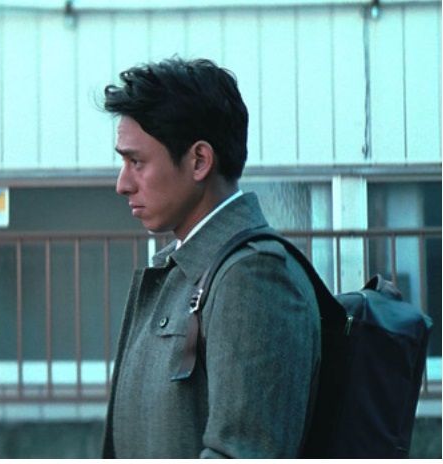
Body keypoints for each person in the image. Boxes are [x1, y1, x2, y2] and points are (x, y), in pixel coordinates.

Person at [100, 57, 320, 458]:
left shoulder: (253, 275)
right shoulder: (182, 267)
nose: (122, 184)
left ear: (199, 161)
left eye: (136, 162)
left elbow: (243, 451)